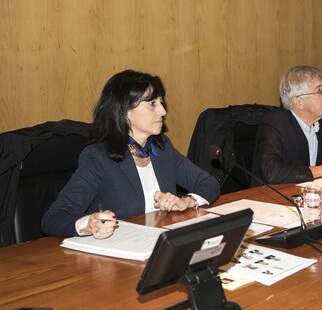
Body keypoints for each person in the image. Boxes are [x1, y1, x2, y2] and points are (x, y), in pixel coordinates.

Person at [42, 70, 220, 238]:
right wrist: (89, 224)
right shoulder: (98, 157)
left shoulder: (161, 148)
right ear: (125, 112)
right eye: (152, 104)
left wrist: (187, 201)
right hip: (118, 253)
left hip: (160, 243)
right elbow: (55, 217)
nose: (163, 111)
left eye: (160, 101)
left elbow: (208, 182)